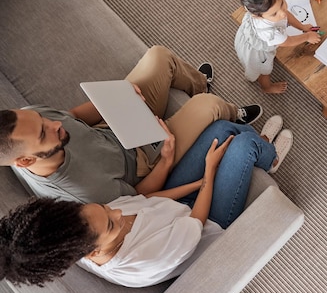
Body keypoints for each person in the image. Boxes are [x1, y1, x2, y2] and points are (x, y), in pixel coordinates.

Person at [0, 117, 293, 288]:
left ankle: (259, 148)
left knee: (220, 129)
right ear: (93, 253)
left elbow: (145, 200)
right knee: (244, 145)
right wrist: (210, 171)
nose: (115, 209)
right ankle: (269, 155)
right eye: (112, 220)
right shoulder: (144, 259)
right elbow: (196, 221)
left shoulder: (89, 227)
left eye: (103, 206)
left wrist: (201, 179)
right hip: (205, 223)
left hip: (174, 209)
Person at [0, 45, 263, 204]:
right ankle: (232, 113)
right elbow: (140, 197)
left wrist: (120, 96)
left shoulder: (30, 117)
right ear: (24, 162)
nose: (54, 123)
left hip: (114, 124)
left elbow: (72, 117)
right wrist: (166, 160)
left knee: (159, 56)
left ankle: (198, 84)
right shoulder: (82, 190)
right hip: (146, 162)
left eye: (43, 119)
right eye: (44, 132)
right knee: (209, 105)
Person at [234, 0, 321, 94]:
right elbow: (287, 41)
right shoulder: (269, 32)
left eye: (281, 3)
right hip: (258, 53)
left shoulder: (272, 9)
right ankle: (266, 87)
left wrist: (302, 27)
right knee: (264, 71)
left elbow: (286, 14)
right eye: (274, 13)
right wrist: (307, 37)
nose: (282, 13)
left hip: (252, 36)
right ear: (257, 15)